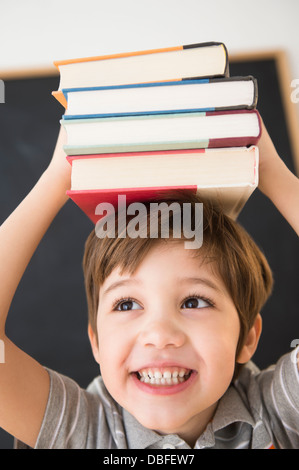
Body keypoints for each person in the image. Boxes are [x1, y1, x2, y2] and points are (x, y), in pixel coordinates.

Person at [0, 117, 298, 449]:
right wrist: (58, 179)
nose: (159, 335)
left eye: (194, 301)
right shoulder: (84, 430)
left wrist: (271, 171)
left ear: (248, 337)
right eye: (126, 304)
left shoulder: (276, 414)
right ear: (96, 341)